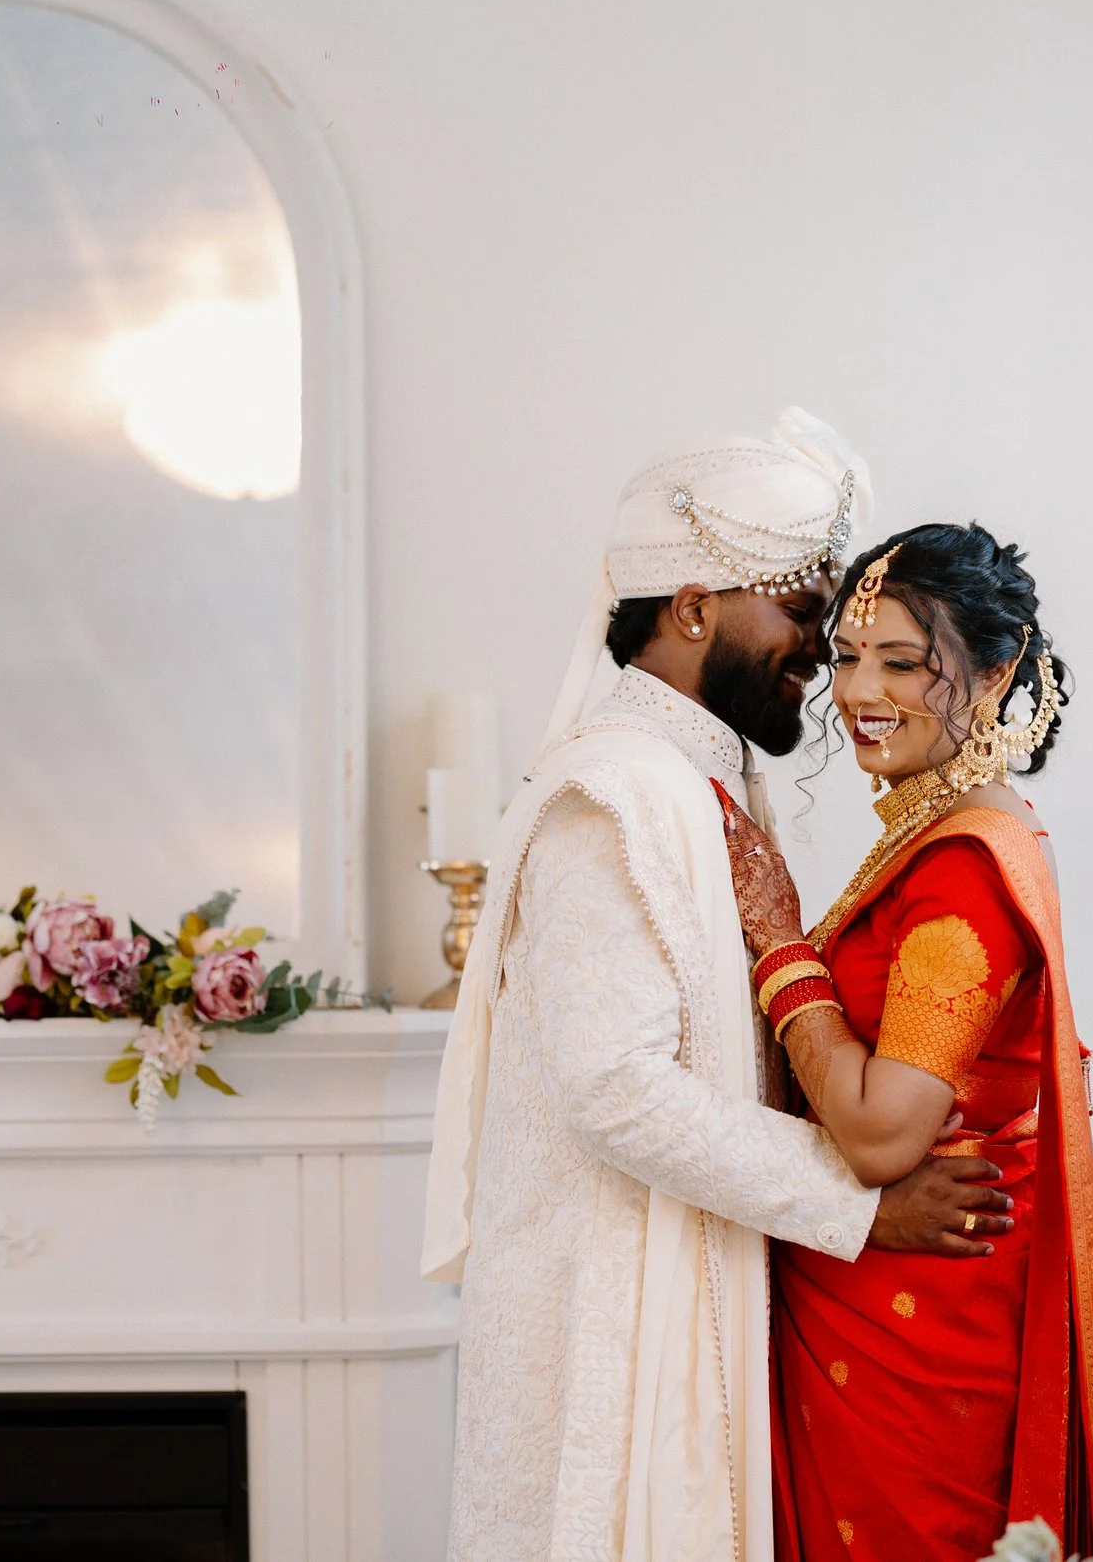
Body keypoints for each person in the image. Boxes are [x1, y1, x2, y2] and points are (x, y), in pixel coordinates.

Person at [423, 414, 1017, 1562]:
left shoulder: (697, 779)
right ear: (693, 606)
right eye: (803, 613)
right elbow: (616, 1091)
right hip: (612, 1314)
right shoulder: (618, 795)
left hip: (702, 1277)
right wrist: (861, 1208)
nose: (827, 653)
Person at [720, 523, 1093, 1562]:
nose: (861, 688)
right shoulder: (934, 830)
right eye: (850, 654)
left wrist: (778, 943)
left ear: (994, 674)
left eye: (904, 661)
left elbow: (877, 1133)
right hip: (897, 1288)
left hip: (920, 1328)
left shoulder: (962, 864)